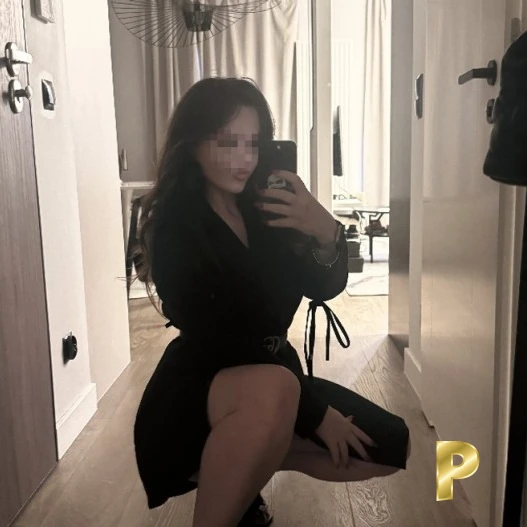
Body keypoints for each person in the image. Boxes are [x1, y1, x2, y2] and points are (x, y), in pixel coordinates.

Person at [133, 77, 410, 527]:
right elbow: (219, 338)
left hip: (277, 383)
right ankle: (234, 495)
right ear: (194, 142)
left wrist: (326, 231)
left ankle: (244, 472)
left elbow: (322, 287)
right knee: (278, 391)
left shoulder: (264, 210)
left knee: (389, 446)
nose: (244, 158)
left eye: (253, 143)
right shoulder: (176, 225)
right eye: (227, 142)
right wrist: (315, 415)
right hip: (196, 394)